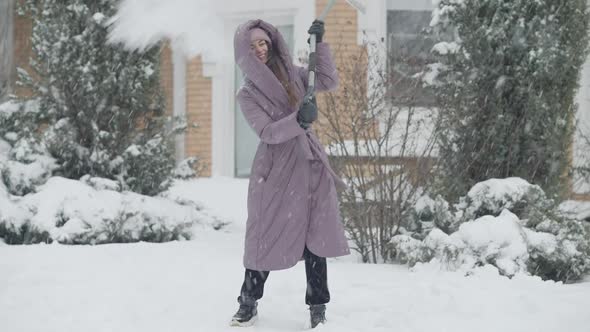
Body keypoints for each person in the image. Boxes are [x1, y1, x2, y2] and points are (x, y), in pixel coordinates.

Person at [230, 18, 350, 329]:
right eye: (253, 44)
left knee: (316, 238)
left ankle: (318, 306)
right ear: (244, 51)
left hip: (309, 165)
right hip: (276, 172)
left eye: (263, 43)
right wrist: (299, 119)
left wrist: (319, 46)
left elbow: (327, 79)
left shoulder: (295, 75)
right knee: (264, 235)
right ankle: (248, 301)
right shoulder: (247, 94)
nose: (259, 49)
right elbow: (268, 132)